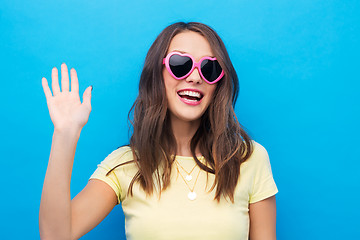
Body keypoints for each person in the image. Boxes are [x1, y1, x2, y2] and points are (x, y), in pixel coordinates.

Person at [39, 22, 278, 240]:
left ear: (219, 84)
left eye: (209, 69)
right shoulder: (126, 164)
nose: (195, 77)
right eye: (180, 64)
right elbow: (55, 236)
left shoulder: (249, 159)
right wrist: (65, 134)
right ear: (157, 73)